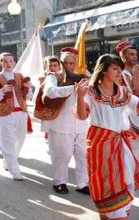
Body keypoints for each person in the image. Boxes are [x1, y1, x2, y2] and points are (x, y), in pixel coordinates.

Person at [75, 54, 139, 219]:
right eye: (115, 68)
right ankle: (107, 213)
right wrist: (79, 97)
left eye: (120, 69)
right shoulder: (90, 91)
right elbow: (82, 116)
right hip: (99, 142)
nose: (119, 72)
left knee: (125, 178)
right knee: (104, 181)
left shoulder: (123, 92)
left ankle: (119, 213)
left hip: (120, 142)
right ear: (104, 70)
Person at [43, 47, 89, 194]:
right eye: (65, 62)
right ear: (60, 62)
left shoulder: (82, 77)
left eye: (72, 62)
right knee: (63, 155)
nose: (68, 66)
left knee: (83, 155)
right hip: (61, 124)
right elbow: (50, 92)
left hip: (81, 124)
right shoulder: (53, 77)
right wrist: (73, 89)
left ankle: (83, 184)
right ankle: (60, 182)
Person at [0, 52, 32, 181]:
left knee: (20, 139)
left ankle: (8, 161)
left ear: (14, 62)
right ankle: (15, 171)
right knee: (8, 142)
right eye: (5, 61)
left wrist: (28, 88)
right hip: (5, 114)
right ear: (1, 63)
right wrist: (2, 90)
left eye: (11, 61)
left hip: (21, 112)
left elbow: (28, 96)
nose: (8, 63)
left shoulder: (20, 76)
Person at [116, 41, 139, 186]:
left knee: (134, 145)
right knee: (124, 146)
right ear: (122, 56)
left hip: (137, 111)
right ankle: (132, 174)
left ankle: (138, 174)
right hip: (120, 112)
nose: (135, 57)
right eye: (131, 54)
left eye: (136, 54)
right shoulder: (117, 71)